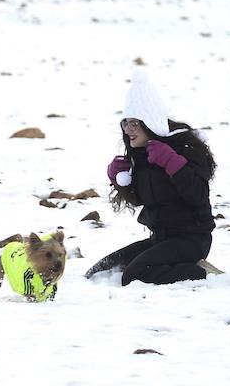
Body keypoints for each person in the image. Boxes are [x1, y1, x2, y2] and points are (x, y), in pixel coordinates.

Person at [85, 69, 222, 285]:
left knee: (133, 275)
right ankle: (176, 266)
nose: (128, 129)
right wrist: (119, 181)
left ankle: (202, 274)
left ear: (149, 121)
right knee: (98, 271)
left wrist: (173, 163)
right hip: (160, 238)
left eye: (135, 123)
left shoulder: (184, 148)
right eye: (125, 123)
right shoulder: (142, 155)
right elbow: (144, 200)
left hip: (192, 240)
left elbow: (198, 195)